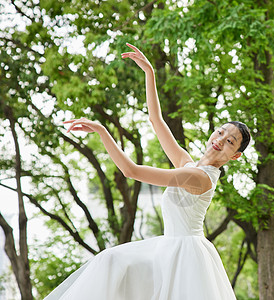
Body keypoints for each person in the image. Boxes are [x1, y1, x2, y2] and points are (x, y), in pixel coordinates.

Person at [43, 43, 251, 300]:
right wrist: (149, 73)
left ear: (235, 155)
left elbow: (131, 171)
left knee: (112, 260)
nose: (221, 139)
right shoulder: (189, 165)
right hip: (168, 247)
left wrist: (102, 131)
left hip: (184, 255)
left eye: (230, 141)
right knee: (111, 262)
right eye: (221, 132)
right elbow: (156, 121)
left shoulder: (198, 178)